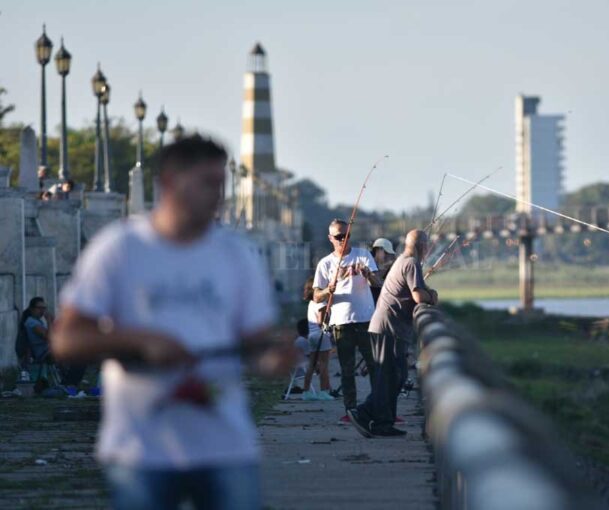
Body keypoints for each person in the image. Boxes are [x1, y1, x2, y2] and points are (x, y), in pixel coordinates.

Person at [51, 135, 290, 510]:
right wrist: (139, 341)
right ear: (168, 183)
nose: (219, 195)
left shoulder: (237, 255)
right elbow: (66, 340)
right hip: (140, 450)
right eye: (207, 183)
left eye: (221, 184)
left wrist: (275, 359)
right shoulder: (120, 248)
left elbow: (258, 347)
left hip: (226, 447)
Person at [348, 230, 438, 438]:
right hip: (389, 328)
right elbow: (418, 295)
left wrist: (427, 291)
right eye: (426, 247)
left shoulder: (402, 261)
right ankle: (367, 414)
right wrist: (432, 296)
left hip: (387, 327)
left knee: (394, 376)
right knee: (391, 376)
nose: (427, 251)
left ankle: (380, 420)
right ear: (422, 247)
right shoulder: (411, 263)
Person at [313, 219, 381, 424]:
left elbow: (379, 283)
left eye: (347, 235)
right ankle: (351, 409)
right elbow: (316, 296)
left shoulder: (363, 255)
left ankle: (378, 407)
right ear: (330, 238)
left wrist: (368, 274)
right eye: (339, 237)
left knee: (375, 365)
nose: (343, 240)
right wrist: (329, 289)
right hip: (342, 323)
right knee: (347, 369)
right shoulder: (325, 263)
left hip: (367, 320)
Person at [301, 278, 333, 401]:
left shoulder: (311, 303)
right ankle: (323, 391)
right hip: (321, 335)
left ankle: (306, 391)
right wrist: (329, 323)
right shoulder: (321, 303)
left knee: (312, 364)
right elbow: (321, 322)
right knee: (324, 365)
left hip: (311, 335)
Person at [370, 238, 397, 304]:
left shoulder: (389, 267)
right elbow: (377, 282)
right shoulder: (368, 263)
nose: (387, 256)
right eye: (386, 253)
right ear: (378, 250)